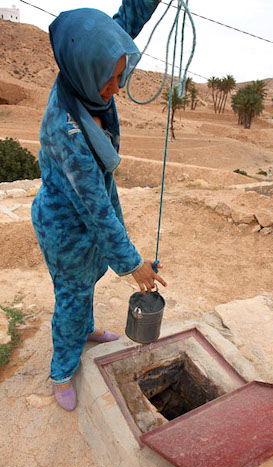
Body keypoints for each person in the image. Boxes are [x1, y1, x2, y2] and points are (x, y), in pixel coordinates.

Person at [31, 1, 166, 412]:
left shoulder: (84, 76)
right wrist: (133, 264)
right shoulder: (67, 132)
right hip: (65, 225)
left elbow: (124, 25)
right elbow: (96, 211)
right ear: (87, 70)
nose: (117, 87)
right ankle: (61, 371)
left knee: (88, 281)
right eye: (111, 78)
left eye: (121, 73)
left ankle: (87, 331)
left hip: (87, 215)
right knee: (71, 295)